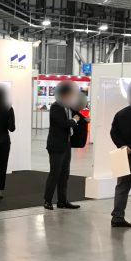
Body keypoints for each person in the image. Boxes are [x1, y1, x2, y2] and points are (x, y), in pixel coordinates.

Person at [109, 78, 131, 228]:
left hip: (122, 157)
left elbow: (113, 132)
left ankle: (117, 218)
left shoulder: (121, 113)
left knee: (121, 188)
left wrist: (123, 147)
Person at [43, 80, 82, 210]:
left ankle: (62, 201)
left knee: (65, 174)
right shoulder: (56, 107)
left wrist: (82, 119)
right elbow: (63, 124)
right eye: (71, 94)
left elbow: (78, 114)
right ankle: (47, 200)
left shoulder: (68, 106)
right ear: (64, 95)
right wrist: (74, 120)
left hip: (66, 144)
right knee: (55, 173)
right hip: (56, 145)